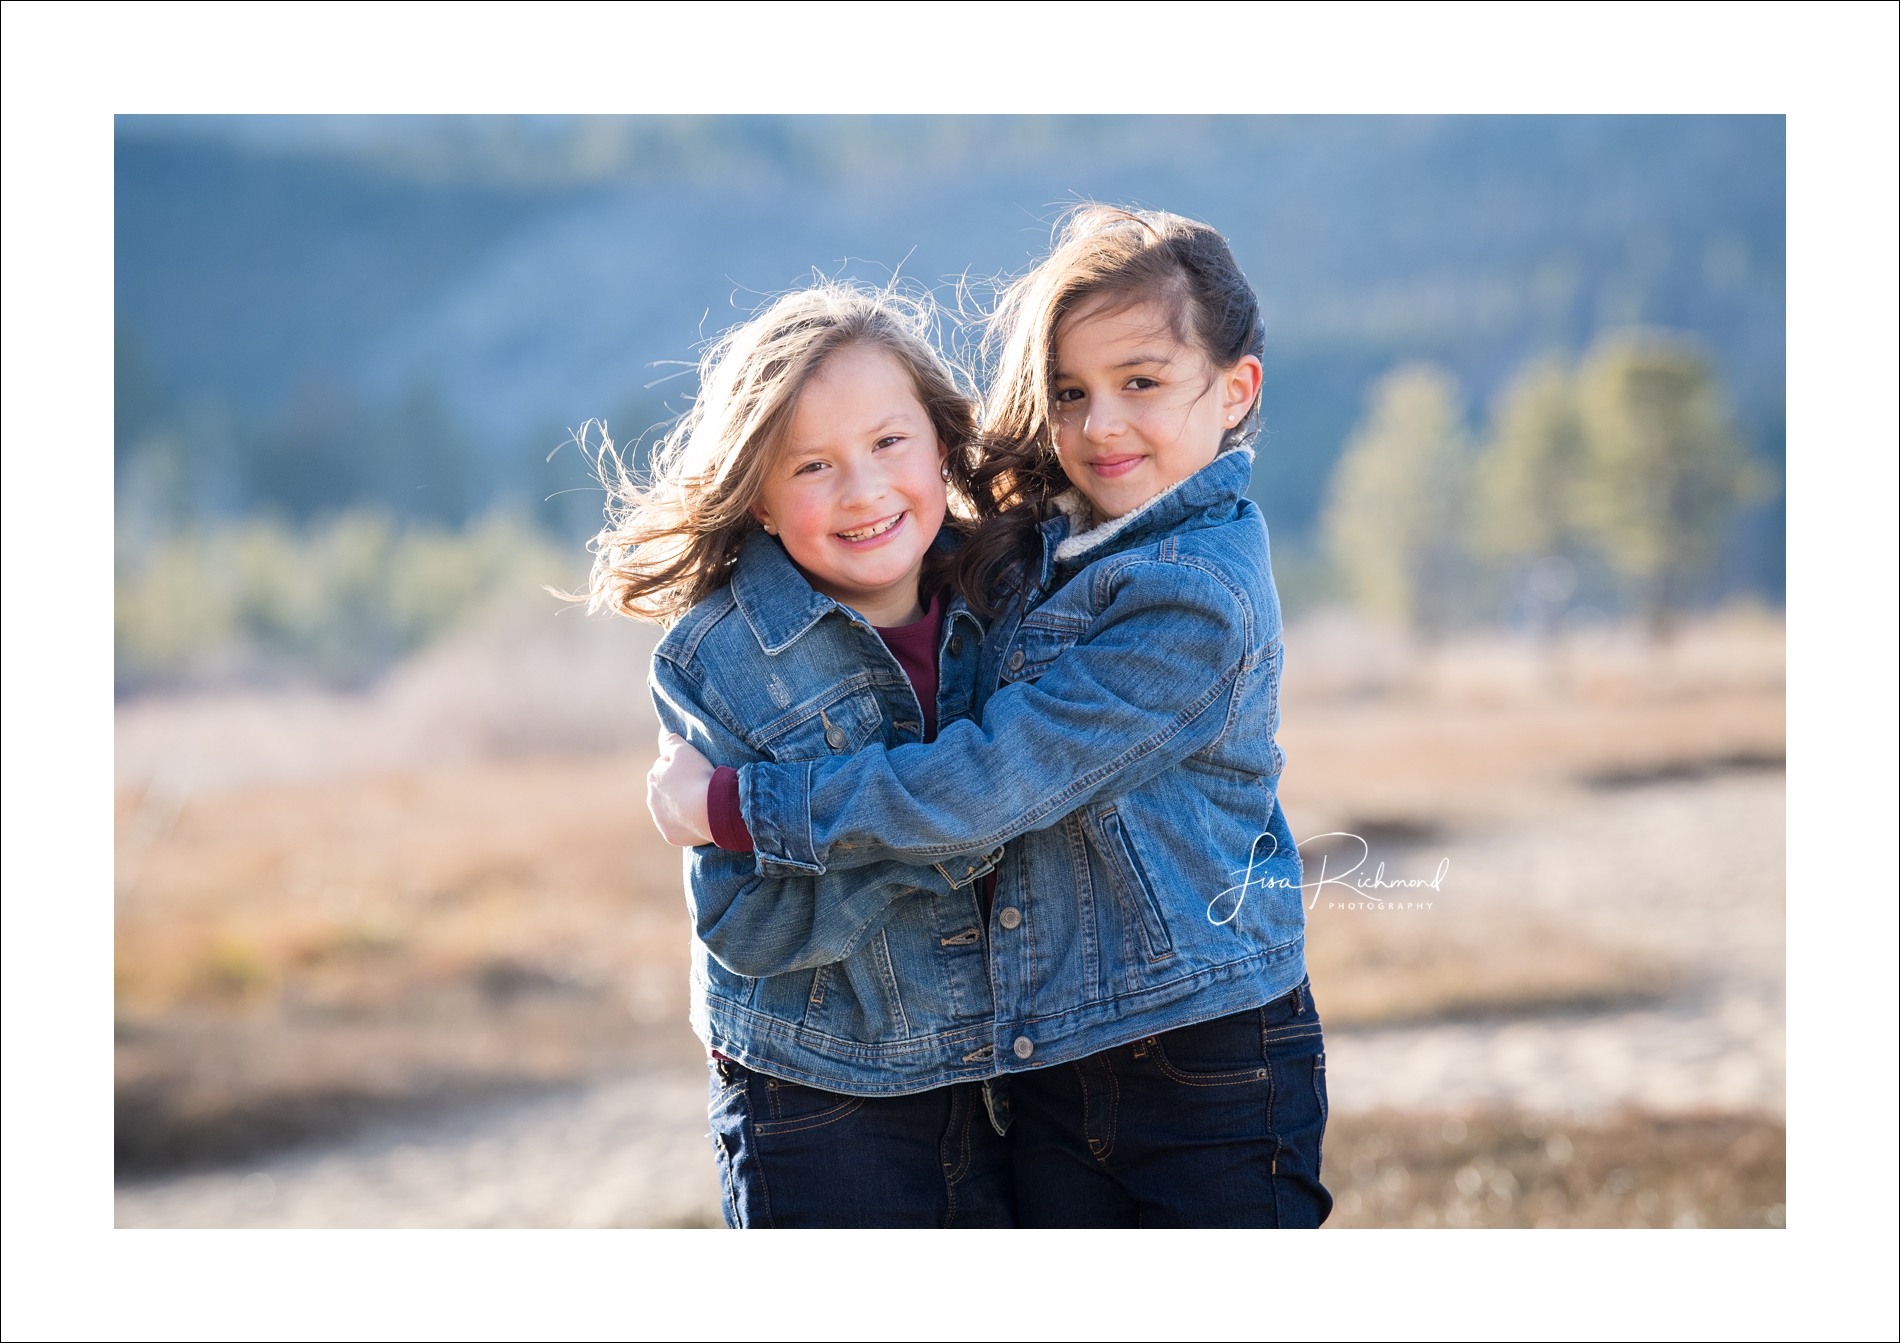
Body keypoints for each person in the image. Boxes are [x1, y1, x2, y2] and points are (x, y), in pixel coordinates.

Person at [649, 206, 1331, 1227]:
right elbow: (749, 920)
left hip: (1195, 1049)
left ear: (1235, 389)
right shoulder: (1025, 561)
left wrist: (737, 807)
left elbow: (994, 785)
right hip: (987, 1070)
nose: (1100, 423)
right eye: (1069, 392)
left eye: (1140, 382)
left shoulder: (1190, 592)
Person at [584, 282, 1013, 1227]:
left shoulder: (1011, 597)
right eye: (813, 465)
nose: (863, 489)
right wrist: (952, 843)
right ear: (762, 500)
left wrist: (858, 830)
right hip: (820, 1098)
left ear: (942, 445)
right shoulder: (719, 658)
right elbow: (747, 922)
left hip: (1018, 1080)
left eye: (889, 443)